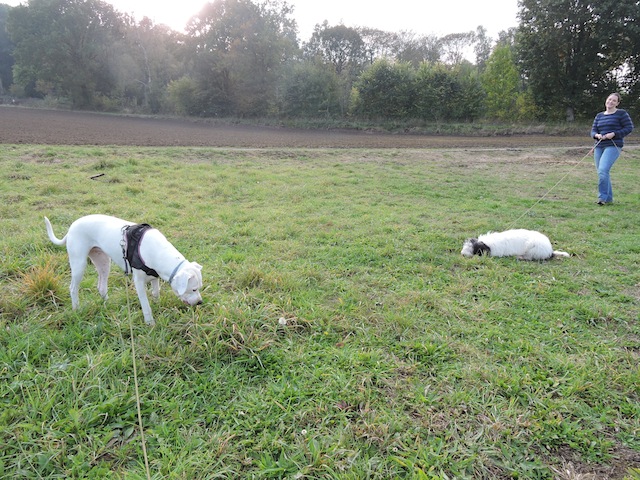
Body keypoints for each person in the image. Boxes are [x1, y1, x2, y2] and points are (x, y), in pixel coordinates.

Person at [590, 92, 634, 205]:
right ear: (606, 100)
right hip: (599, 146)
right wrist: (596, 135)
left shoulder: (621, 114)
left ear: (617, 103)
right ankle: (608, 198)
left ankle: (602, 198)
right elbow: (593, 130)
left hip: (613, 145)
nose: (611, 102)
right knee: (601, 172)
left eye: (614, 101)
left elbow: (629, 128)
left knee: (603, 170)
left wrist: (614, 133)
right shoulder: (599, 116)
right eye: (609, 99)